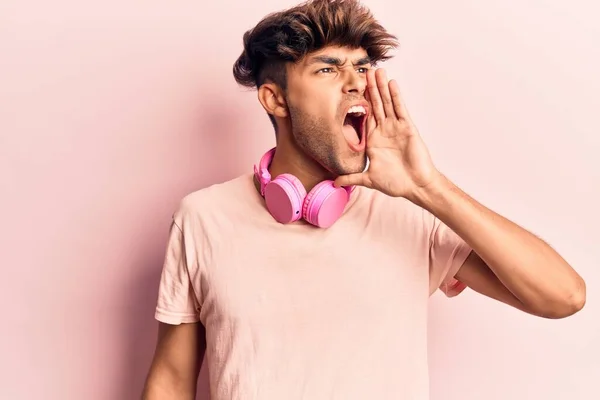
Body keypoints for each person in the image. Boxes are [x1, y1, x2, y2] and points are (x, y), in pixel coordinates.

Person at [141, 0, 586, 399]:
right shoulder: (203, 217)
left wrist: (428, 187)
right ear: (275, 98)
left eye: (362, 67)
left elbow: (562, 296)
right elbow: (172, 379)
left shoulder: (413, 212)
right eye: (328, 69)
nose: (356, 83)